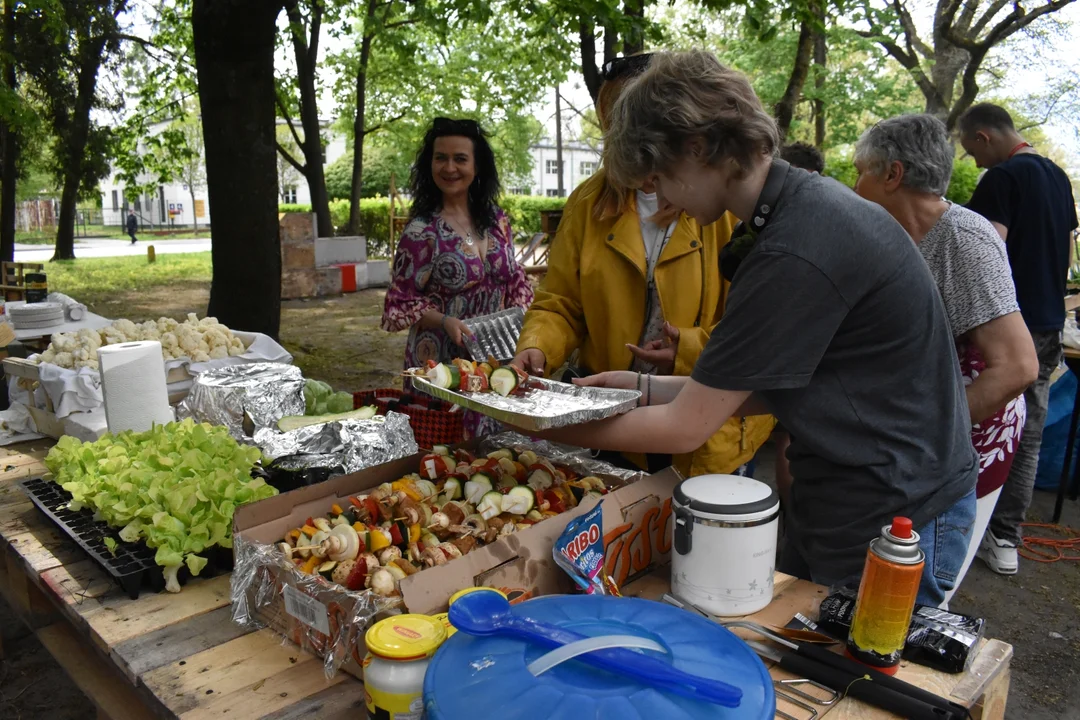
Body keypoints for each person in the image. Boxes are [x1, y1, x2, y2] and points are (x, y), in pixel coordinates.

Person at [534, 50, 978, 607]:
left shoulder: (796, 246)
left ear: (696, 149)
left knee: (857, 681)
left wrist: (548, 425)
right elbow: (763, 387)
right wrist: (636, 385)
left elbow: (683, 429)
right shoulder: (794, 212)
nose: (661, 199)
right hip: (845, 493)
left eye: (661, 178)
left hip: (895, 511)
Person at [512, 54, 774, 478]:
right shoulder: (587, 203)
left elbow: (758, 335)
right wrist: (536, 346)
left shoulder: (730, 206)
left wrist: (686, 349)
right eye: (613, 121)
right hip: (614, 423)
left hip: (710, 436)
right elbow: (559, 301)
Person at [853, 113, 1038, 604]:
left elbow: (1017, 366)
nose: (854, 186)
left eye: (861, 171)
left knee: (916, 595)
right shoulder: (894, 237)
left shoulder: (964, 237)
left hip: (964, 446)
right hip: (914, 445)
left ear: (892, 175)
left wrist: (926, 439)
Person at [959, 103, 1080, 575]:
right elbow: (1068, 253)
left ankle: (963, 528)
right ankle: (1006, 537)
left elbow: (984, 252)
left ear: (985, 136)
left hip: (1004, 327)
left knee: (978, 426)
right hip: (1049, 322)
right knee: (1028, 431)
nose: (973, 161)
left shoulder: (1001, 180)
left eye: (971, 150)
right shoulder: (1058, 177)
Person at [382, 117, 533, 438]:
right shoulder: (421, 230)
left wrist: (524, 321)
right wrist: (445, 321)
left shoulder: (496, 220)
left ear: (477, 167)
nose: (449, 167)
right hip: (441, 362)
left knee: (500, 447)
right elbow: (400, 302)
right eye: (441, 158)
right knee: (449, 450)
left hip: (494, 354)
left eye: (460, 158)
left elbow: (515, 279)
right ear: (430, 164)